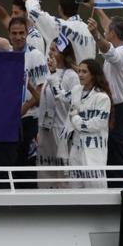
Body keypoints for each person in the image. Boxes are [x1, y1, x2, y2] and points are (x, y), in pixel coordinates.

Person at [89, 10, 123, 177]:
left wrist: (95, 34)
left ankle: (120, 186)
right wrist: (97, 8)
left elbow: (107, 48)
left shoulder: (122, 54)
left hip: (118, 107)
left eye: (107, 31)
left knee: (116, 148)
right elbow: (109, 26)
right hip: (112, 105)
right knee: (109, 146)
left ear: (113, 34)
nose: (105, 31)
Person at [36, 42, 80, 186]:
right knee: (45, 171)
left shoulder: (71, 75)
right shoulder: (48, 72)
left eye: (53, 50)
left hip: (61, 131)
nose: (49, 53)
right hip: (45, 130)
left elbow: (72, 103)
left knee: (61, 173)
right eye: (50, 49)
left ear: (62, 53)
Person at [9, 16, 48, 174]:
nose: (18, 37)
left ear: (27, 33)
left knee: (28, 167)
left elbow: (42, 93)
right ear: (9, 34)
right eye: (14, 33)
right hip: (11, 120)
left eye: (21, 33)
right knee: (13, 164)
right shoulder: (6, 55)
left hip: (30, 119)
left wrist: (25, 107)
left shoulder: (35, 55)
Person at [68, 58, 113, 188]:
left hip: (93, 151)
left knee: (96, 191)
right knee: (75, 191)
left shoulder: (102, 97)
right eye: (79, 71)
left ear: (93, 74)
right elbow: (60, 96)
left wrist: (76, 119)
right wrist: (53, 74)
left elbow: (96, 124)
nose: (80, 74)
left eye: (84, 72)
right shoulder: (76, 90)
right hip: (76, 150)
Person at [25, 0, 96, 62]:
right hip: (88, 72)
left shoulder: (58, 26)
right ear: (77, 9)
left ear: (60, 9)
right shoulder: (90, 30)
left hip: (66, 73)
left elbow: (33, 12)